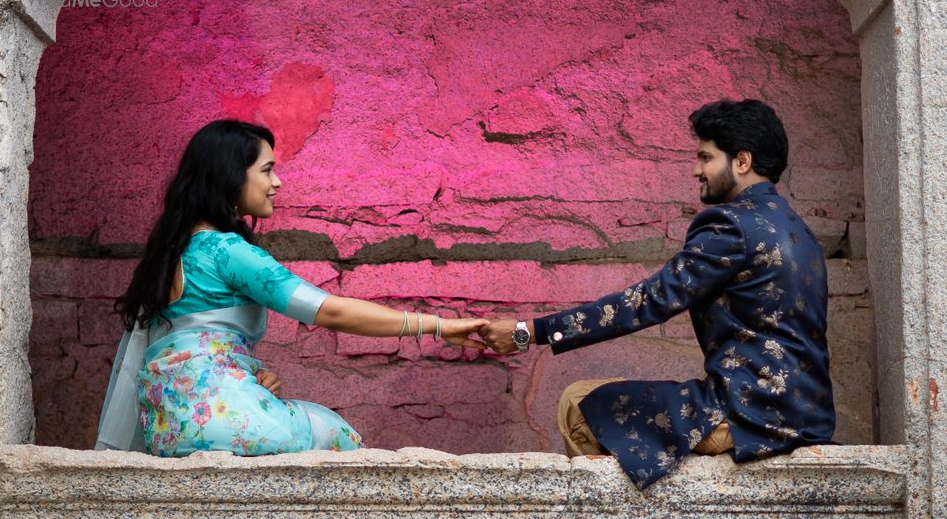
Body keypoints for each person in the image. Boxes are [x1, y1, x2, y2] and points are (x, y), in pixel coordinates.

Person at [479, 98, 835, 489]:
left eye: (706, 157)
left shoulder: (732, 225)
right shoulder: (799, 232)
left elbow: (647, 302)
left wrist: (528, 332)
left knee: (579, 403)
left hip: (749, 414)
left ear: (742, 162)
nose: (696, 169)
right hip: (806, 416)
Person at [96, 119, 487, 456]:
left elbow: (194, 345)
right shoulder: (228, 251)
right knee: (337, 436)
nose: (277, 182)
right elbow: (327, 310)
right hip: (221, 420)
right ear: (232, 175)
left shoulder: (170, 254)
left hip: (166, 430)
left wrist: (249, 374)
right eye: (267, 170)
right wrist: (438, 326)